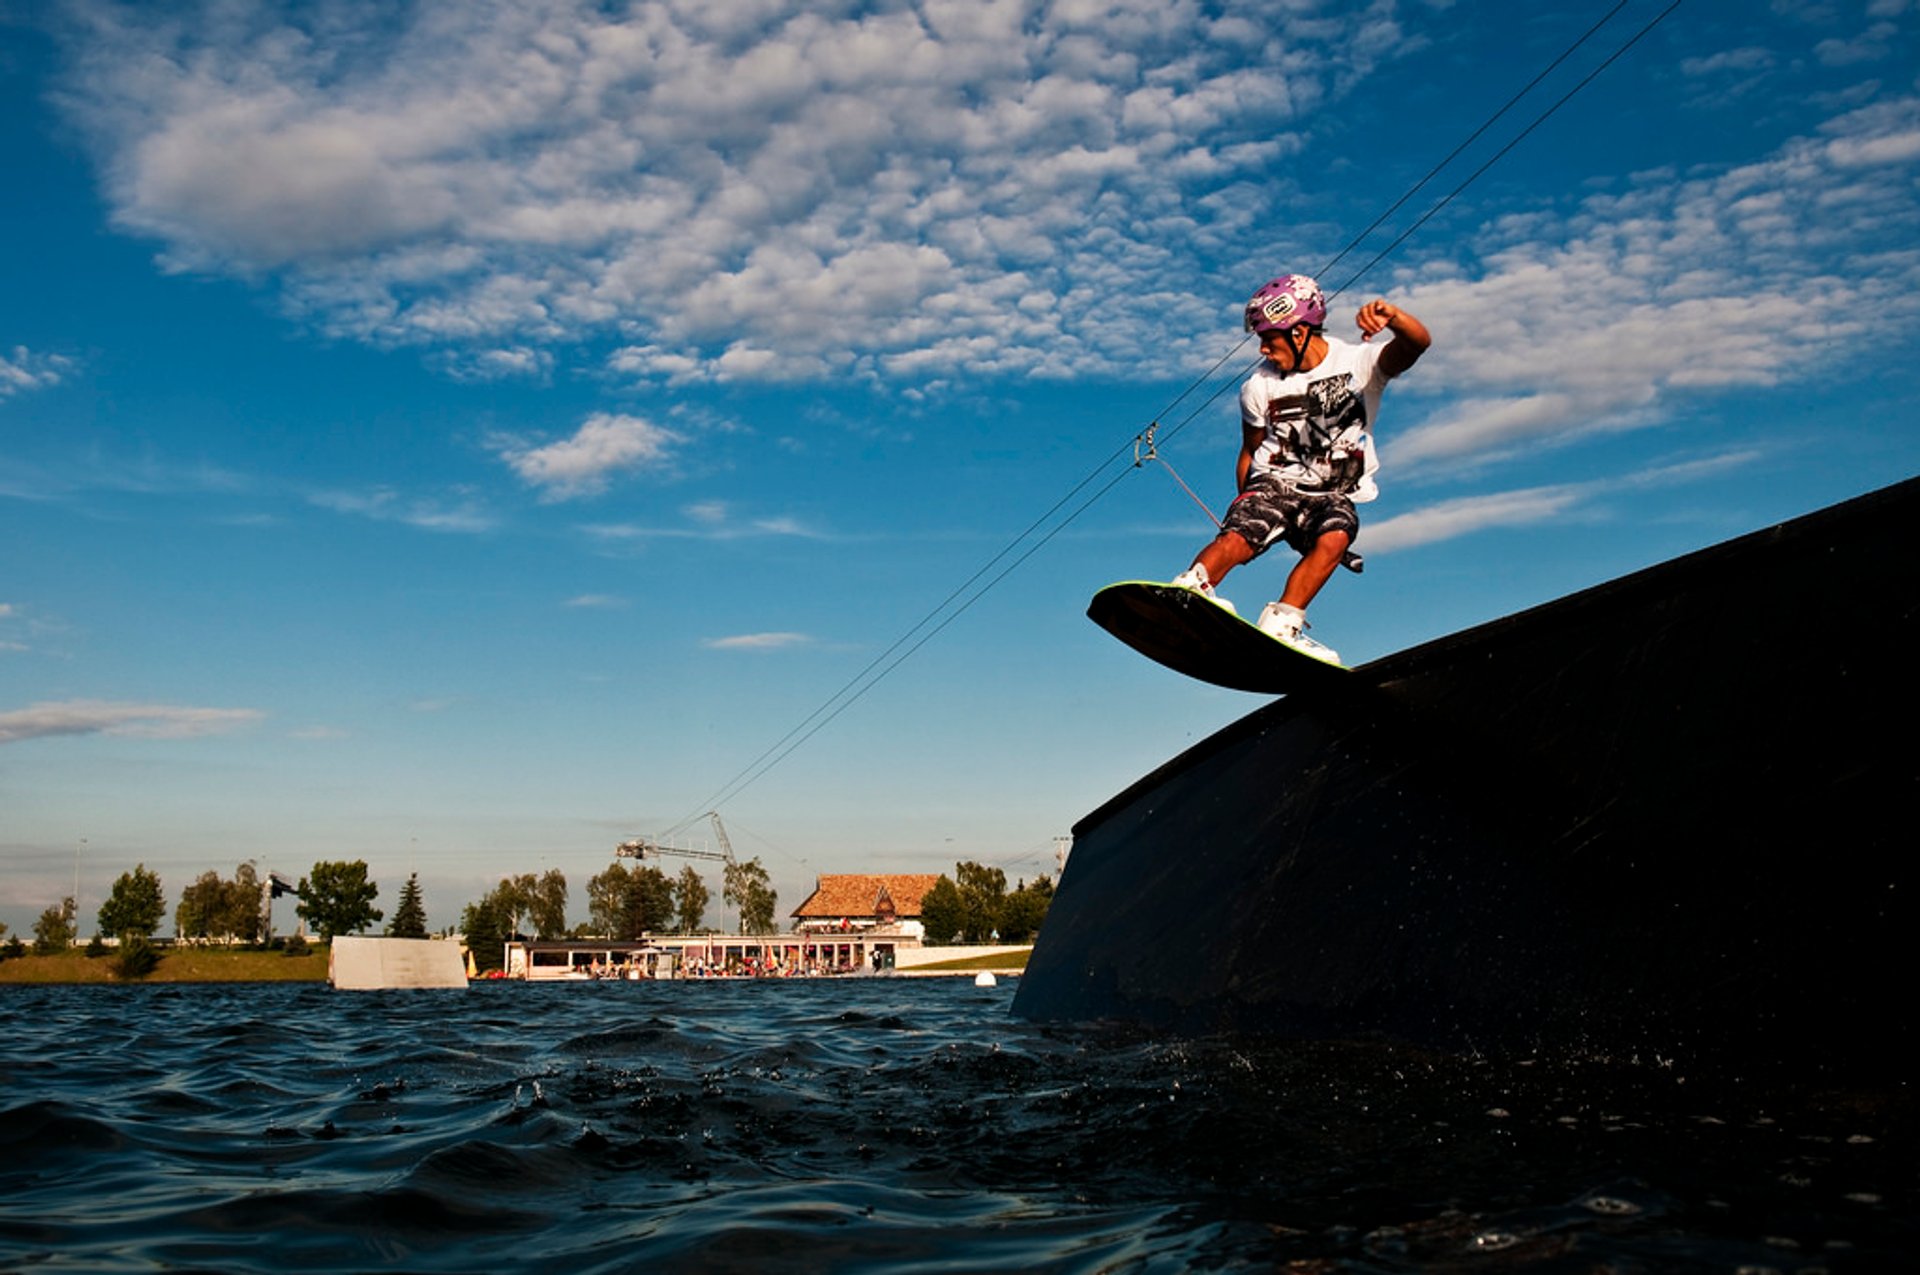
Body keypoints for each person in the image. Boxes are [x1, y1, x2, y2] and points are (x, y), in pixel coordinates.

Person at [1170, 273, 1430, 665]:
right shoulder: (1259, 386)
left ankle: (1283, 621)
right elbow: (1250, 450)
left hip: (1329, 492)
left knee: (1337, 533)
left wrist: (1393, 317)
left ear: (1299, 332)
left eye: (1269, 339)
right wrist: (1243, 505)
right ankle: (1191, 588)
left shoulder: (1359, 364)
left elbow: (1416, 344)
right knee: (1246, 531)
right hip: (1274, 480)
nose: (1263, 349)